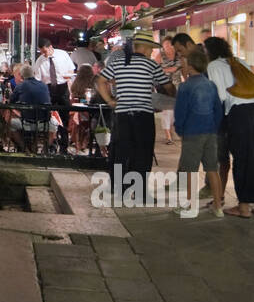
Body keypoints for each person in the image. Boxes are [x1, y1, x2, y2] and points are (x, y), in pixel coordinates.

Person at [97, 29, 176, 204]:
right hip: (143, 116)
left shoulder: (118, 63)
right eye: (151, 49)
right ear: (147, 48)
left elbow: (100, 81)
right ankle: (139, 193)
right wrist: (173, 96)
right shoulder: (151, 65)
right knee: (143, 154)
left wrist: (110, 100)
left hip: (122, 116)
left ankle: (121, 191)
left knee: (122, 152)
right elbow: (168, 86)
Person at [204, 36, 254, 218]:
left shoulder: (213, 66)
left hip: (239, 112)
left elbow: (220, 96)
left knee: (244, 157)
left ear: (209, 52)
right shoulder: (239, 61)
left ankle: (244, 207)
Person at [174, 48, 225, 216]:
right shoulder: (210, 85)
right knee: (212, 169)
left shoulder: (185, 86)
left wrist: (179, 129)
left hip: (192, 132)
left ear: (190, 66)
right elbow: (218, 109)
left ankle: (189, 204)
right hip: (210, 132)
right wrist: (214, 127)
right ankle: (218, 206)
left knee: (190, 170)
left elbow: (181, 112)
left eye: (185, 62)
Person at [10, 62, 50, 153]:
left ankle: (25, 148)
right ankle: (40, 148)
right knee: (54, 127)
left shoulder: (21, 86)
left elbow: (11, 102)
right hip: (44, 122)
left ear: (21, 75)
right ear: (34, 74)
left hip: (27, 121)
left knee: (10, 124)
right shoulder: (44, 85)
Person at [156, 35, 182, 145]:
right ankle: (168, 136)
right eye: (165, 44)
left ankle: (170, 130)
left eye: (170, 44)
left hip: (177, 86)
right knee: (166, 111)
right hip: (164, 87)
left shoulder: (178, 56)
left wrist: (164, 69)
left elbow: (178, 68)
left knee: (175, 111)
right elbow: (155, 69)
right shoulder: (160, 55)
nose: (168, 47)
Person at [68, 64, 97, 155]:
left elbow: (74, 97)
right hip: (88, 111)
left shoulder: (75, 84)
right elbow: (90, 99)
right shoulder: (93, 84)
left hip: (76, 110)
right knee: (89, 122)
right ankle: (84, 142)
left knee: (78, 123)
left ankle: (78, 143)